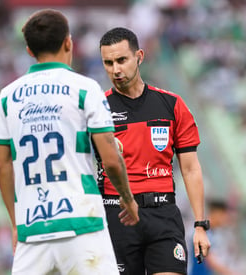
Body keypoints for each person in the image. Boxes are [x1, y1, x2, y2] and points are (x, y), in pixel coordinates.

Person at [0, 10, 139, 275]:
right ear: (68, 43)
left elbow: (2, 166)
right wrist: (127, 199)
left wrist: (16, 224)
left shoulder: (7, 96)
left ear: (28, 49)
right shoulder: (85, 88)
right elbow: (111, 160)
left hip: (32, 232)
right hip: (83, 225)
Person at [97, 27, 210, 275]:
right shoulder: (97, 109)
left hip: (163, 215)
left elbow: (190, 168)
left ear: (139, 56)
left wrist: (200, 225)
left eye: (122, 60)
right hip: (117, 215)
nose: (115, 69)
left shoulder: (172, 105)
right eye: (108, 62)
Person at [190, 200, 243, 275]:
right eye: (223, 215)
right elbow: (211, 261)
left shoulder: (211, 233)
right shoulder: (203, 232)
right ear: (216, 213)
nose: (225, 219)